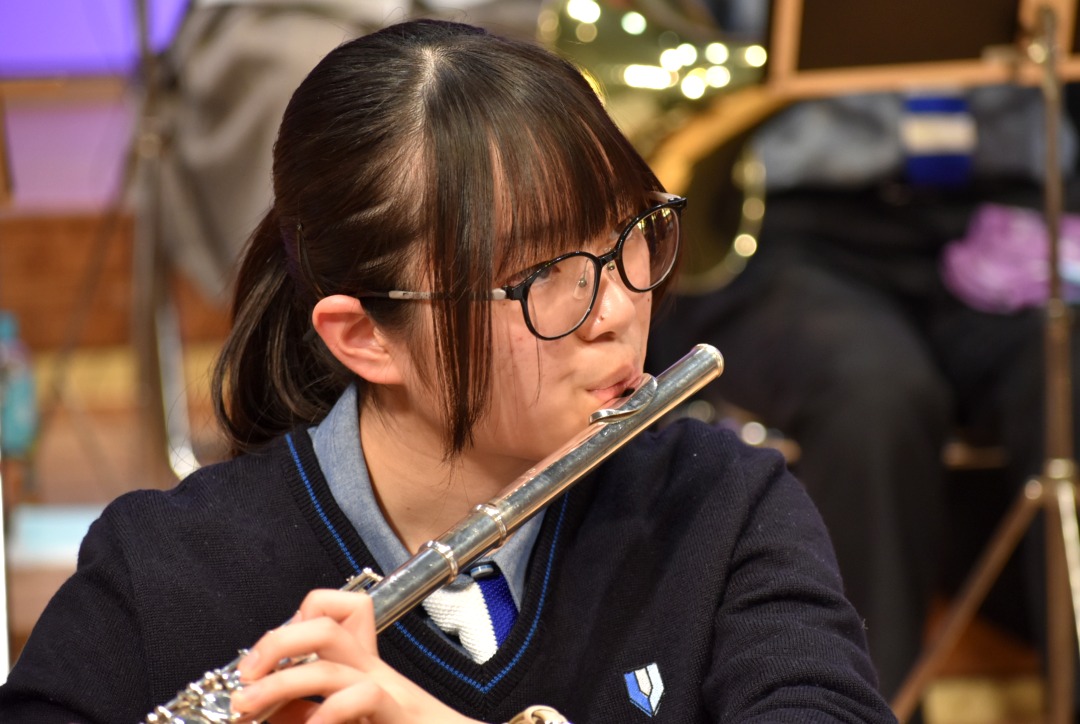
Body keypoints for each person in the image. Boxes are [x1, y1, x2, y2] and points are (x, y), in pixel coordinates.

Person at [0, 20, 895, 723]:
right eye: (546, 279)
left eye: (631, 233)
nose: (619, 310)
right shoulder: (164, 576)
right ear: (366, 337)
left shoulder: (721, 508)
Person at [646, 13, 1080, 703]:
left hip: (1005, 215)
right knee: (873, 391)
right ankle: (856, 707)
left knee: (1066, 372)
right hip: (791, 224)